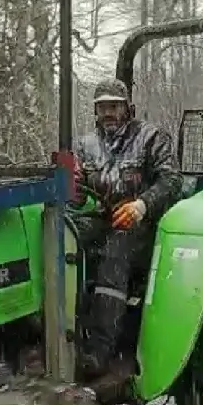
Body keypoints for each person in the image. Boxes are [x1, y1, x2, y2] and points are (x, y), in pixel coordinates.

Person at [72, 78, 183, 378]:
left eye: (113, 106)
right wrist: (70, 185)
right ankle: (64, 329)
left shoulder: (151, 137)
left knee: (114, 253)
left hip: (143, 223)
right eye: (102, 107)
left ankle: (99, 352)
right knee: (66, 236)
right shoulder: (85, 145)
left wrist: (141, 206)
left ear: (127, 108)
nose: (107, 112)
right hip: (104, 216)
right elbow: (78, 196)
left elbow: (172, 180)